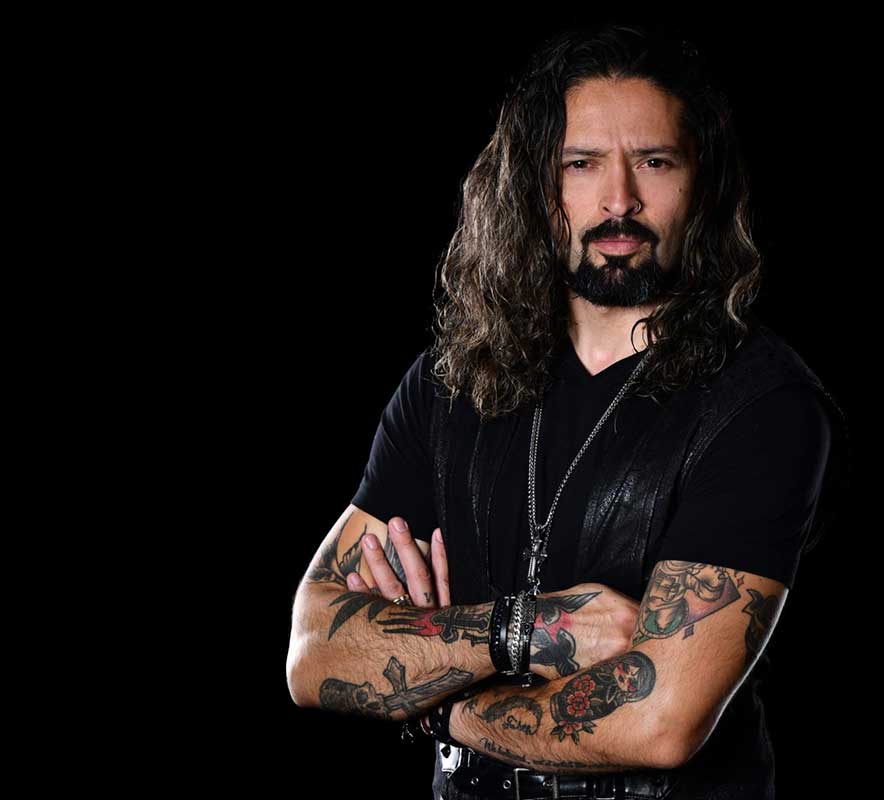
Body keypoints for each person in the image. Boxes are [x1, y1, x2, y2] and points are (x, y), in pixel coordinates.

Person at [286, 22, 849, 800]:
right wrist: (528, 628)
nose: (619, 200)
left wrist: (434, 701)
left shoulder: (763, 407)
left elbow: (658, 723)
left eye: (654, 162)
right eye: (580, 165)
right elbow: (314, 654)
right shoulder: (451, 383)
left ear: (702, 184)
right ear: (534, 186)